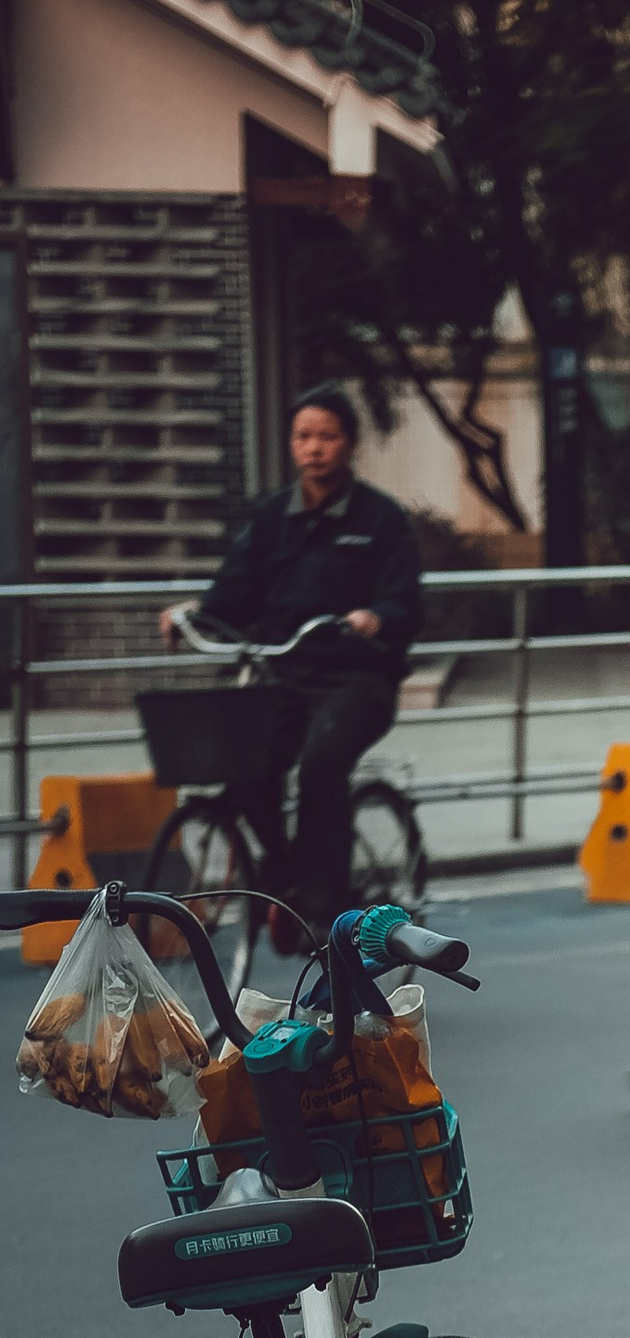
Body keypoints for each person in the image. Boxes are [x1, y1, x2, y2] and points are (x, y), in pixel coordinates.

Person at [172, 387, 423, 941]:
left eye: (327, 436)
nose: (314, 448)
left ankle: (327, 914)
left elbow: (405, 601)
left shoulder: (380, 519)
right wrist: (193, 614)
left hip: (358, 679)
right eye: (303, 437)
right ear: (291, 444)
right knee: (243, 764)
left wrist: (375, 617)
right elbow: (232, 594)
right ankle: (285, 879)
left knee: (321, 766)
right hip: (285, 675)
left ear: (350, 444)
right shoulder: (270, 518)